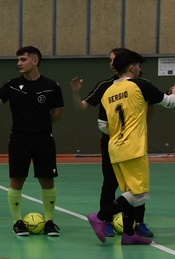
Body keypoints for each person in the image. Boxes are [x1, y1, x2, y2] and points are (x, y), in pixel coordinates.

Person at [88, 49, 175, 244]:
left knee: (128, 192)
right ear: (132, 67)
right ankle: (100, 217)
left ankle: (128, 234)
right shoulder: (140, 85)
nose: (139, 69)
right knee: (140, 194)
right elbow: (169, 103)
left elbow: (103, 125)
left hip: (114, 147)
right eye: (139, 65)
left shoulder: (108, 91)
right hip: (133, 148)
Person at [70, 48, 154, 237]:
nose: (111, 63)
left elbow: (149, 111)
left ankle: (136, 224)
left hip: (131, 140)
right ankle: (105, 220)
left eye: (114, 59)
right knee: (112, 183)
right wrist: (75, 94)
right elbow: (80, 108)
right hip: (112, 141)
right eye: (110, 60)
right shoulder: (106, 86)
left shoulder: (141, 85)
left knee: (134, 185)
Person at [0, 46, 64, 237]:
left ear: (35, 61)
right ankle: (17, 222)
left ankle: (50, 222)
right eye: (18, 60)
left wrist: (40, 123)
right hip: (19, 138)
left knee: (47, 179)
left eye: (23, 59)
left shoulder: (52, 86)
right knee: (17, 179)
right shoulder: (12, 85)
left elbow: (57, 113)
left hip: (44, 138)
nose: (19, 63)